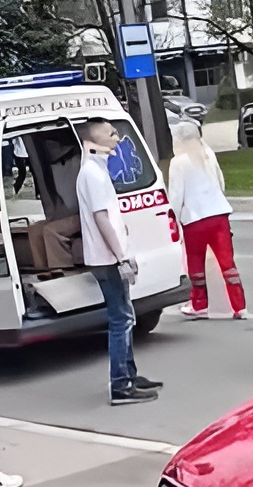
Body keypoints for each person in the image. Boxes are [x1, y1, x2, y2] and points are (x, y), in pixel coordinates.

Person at [74, 118, 163, 405]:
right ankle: (121, 385)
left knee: (125, 316)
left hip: (108, 256)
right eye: (110, 134)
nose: (116, 138)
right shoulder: (93, 174)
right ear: (93, 141)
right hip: (107, 258)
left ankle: (129, 374)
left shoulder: (96, 169)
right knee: (121, 319)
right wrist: (120, 257)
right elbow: (101, 218)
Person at [170, 121, 247, 320]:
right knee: (227, 263)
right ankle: (239, 306)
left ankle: (199, 304)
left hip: (194, 218)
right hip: (219, 214)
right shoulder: (208, 154)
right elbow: (220, 182)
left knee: (195, 263)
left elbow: (177, 195)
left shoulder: (178, 162)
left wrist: (174, 219)